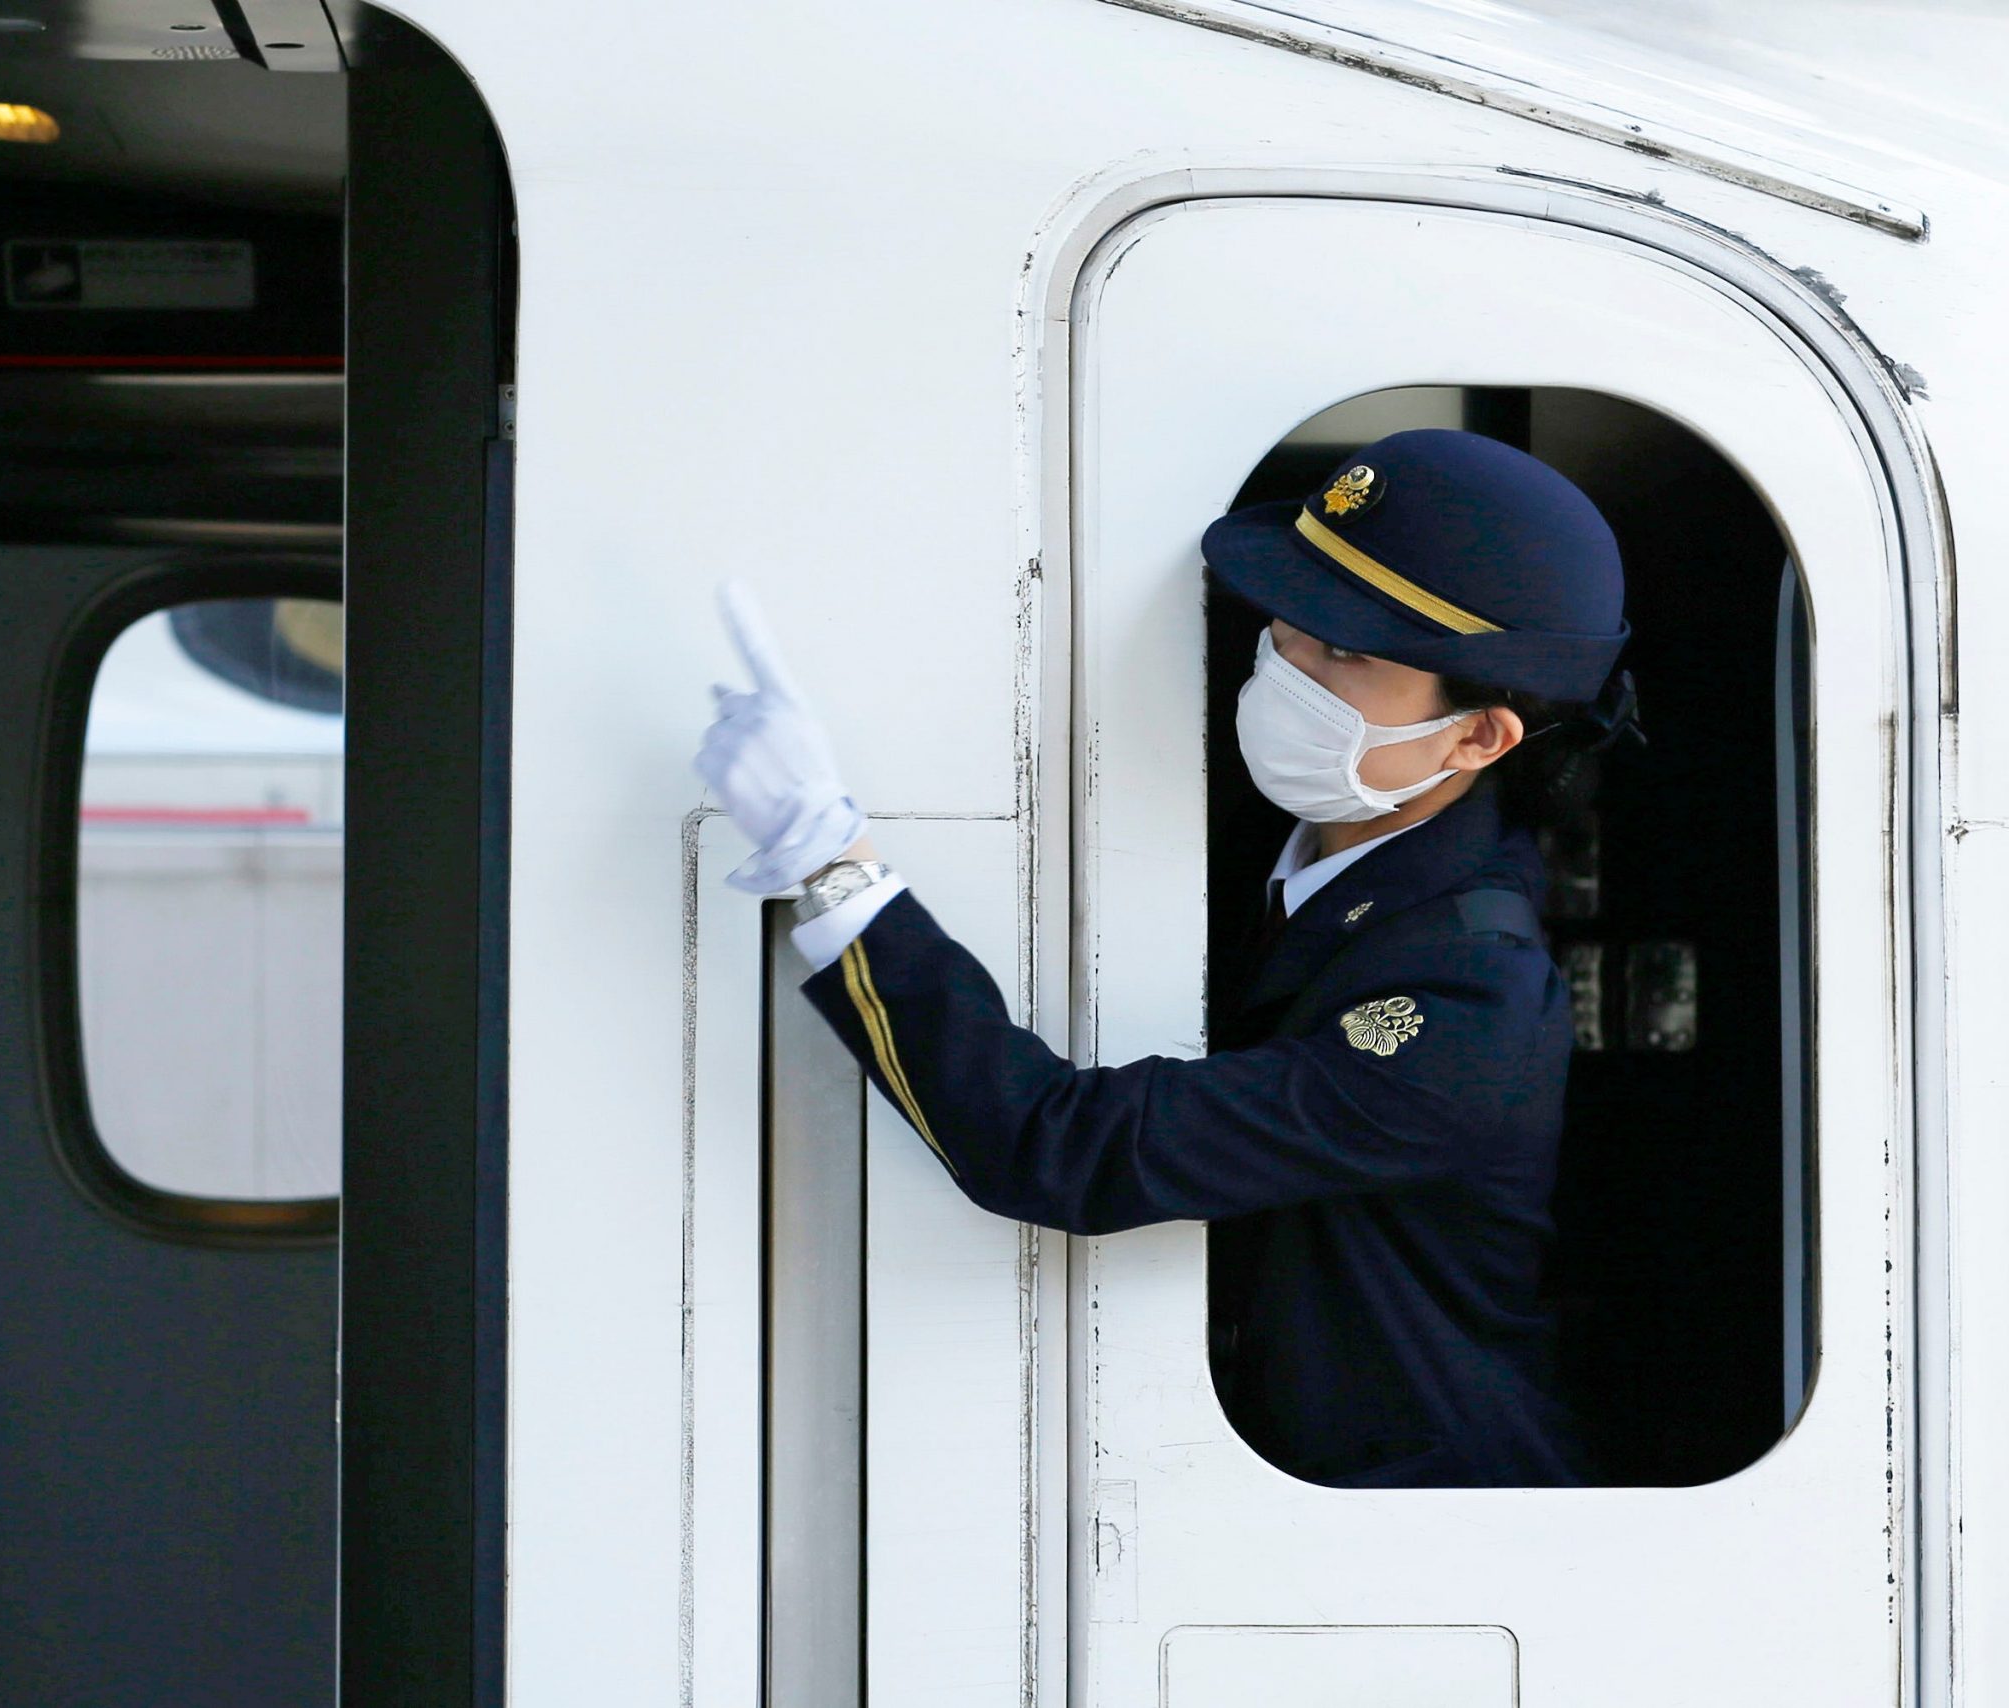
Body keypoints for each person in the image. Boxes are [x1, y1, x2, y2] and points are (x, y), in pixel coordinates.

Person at [694, 428, 1642, 1489]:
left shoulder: (1470, 997)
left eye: (1347, 656)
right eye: (1290, 623)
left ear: (1476, 741)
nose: (1289, 664)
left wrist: (832, 868)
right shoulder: (1288, 848)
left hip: (1412, 1522)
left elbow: (1058, 1146)